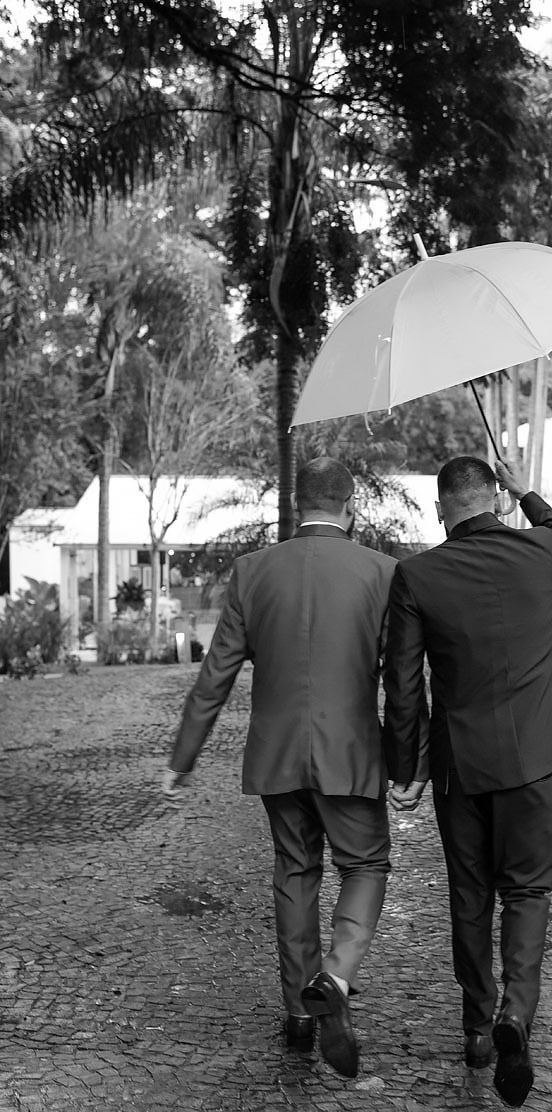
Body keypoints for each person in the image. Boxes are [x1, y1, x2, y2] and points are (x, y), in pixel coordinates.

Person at [162, 457, 426, 1079]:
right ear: (351, 507)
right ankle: (334, 976)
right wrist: (406, 757)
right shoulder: (384, 573)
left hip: (277, 755)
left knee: (295, 871)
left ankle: (299, 1015)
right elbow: (403, 678)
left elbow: (216, 674)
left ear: (296, 506)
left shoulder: (253, 572)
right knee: (365, 864)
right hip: (351, 753)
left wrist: (182, 758)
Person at [383, 456, 552, 1108]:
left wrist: (406, 767)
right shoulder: (539, 552)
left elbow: (404, 684)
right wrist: (530, 493)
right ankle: (515, 1015)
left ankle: (477, 1028)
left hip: (461, 766)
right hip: (535, 756)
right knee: (527, 889)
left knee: (470, 895)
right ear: (494, 498)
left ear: (440, 506)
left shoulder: (417, 575)